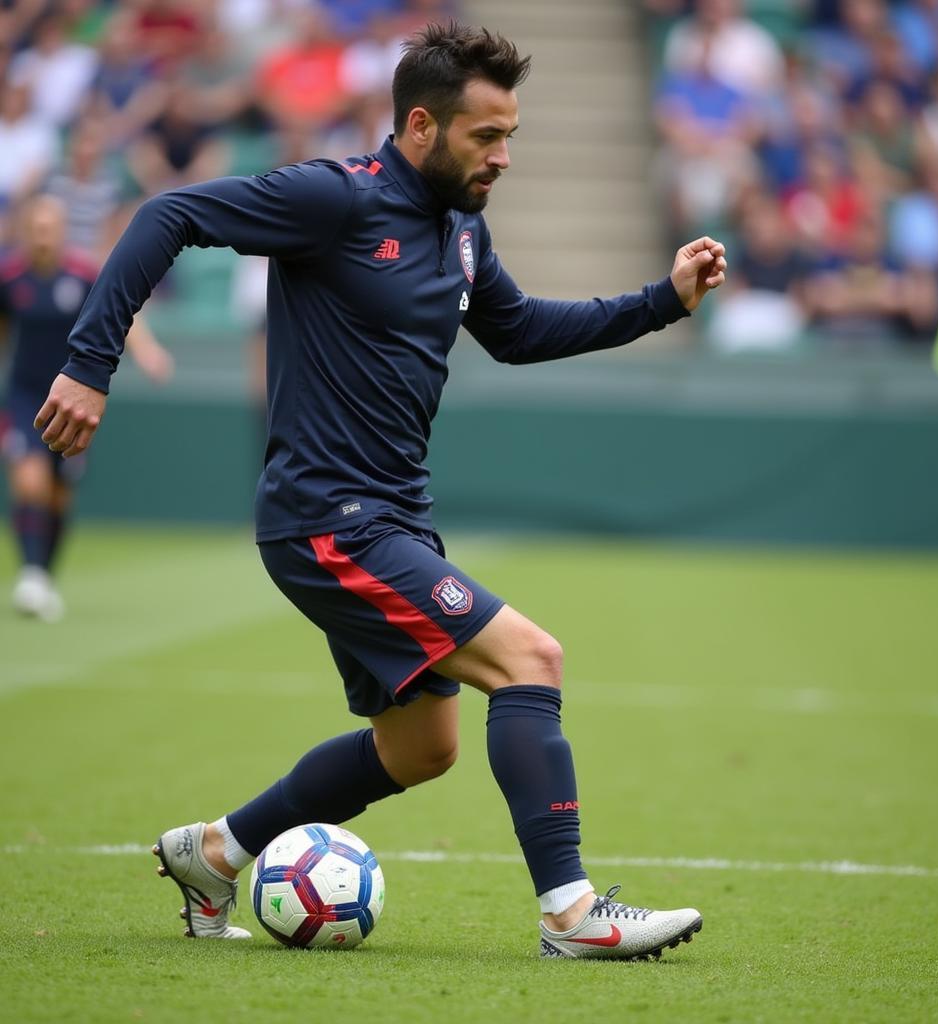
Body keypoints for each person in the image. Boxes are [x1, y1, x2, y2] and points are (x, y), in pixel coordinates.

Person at [34, 22, 727, 960]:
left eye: (510, 135)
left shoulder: (462, 229)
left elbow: (518, 332)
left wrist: (662, 301)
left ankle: (215, 851)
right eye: (486, 136)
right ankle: (570, 914)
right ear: (419, 126)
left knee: (421, 749)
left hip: (391, 517)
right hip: (330, 520)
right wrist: (89, 361)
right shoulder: (334, 199)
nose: (504, 157)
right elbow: (168, 214)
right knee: (532, 659)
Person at [2, 194, 172, 621]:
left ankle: (43, 576)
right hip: (24, 396)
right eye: (35, 229)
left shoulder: (82, 276)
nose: (42, 238)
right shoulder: (10, 278)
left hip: (72, 399)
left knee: (59, 496)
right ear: (25, 231)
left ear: (61, 231)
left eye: (50, 228)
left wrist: (148, 353)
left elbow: (121, 315)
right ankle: (33, 574)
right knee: (30, 484)